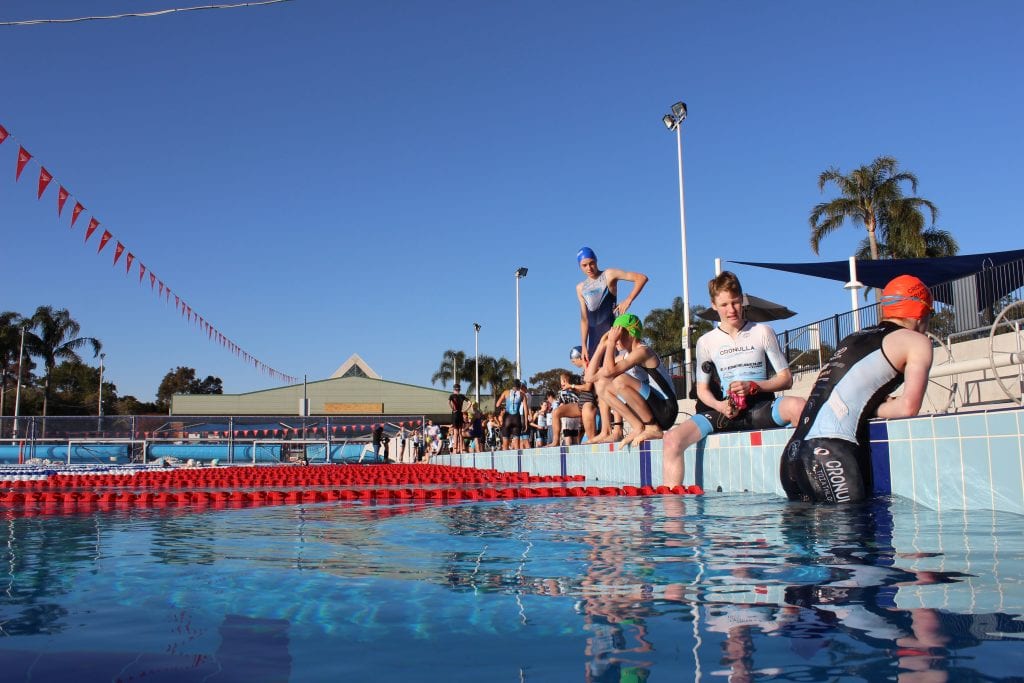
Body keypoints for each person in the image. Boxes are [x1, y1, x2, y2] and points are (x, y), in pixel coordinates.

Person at [780, 274, 935, 504]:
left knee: (802, 536)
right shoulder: (916, 341)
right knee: (850, 538)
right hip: (829, 453)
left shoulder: (853, 338)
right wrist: (876, 407)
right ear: (922, 312)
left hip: (792, 455)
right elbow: (908, 407)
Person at [662, 271, 804, 487]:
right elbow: (702, 390)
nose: (731, 310)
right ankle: (674, 517)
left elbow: (786, 379)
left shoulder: (763, 331)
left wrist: (756, 386)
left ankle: (804, 485)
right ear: (714, 305)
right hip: (726, 412)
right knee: (672, 440)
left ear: (742, 300)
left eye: (735, 303)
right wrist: (719, 405)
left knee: (800, 407)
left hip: (761, 407)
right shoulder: (706, 342)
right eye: (725, 304)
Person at [585, 313, 679, 448]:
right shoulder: (627, 356)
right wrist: (601, 345)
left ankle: (653, 428)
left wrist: (611, 343)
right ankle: (638, 426)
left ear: (631, 333)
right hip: (652, 410)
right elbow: (590, 377)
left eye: (618, 334)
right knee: (601, 385)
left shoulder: (643, 352)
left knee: (619, 380)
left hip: (666, 409)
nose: (615, 338)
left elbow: (609, 372)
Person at [575, 247, 649, 363]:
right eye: (584, 265)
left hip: (612, 334)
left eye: (591, 263)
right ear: (580, 266)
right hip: (594, 341)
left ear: (596, 260)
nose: (589, 268)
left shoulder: (609, 274)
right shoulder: (580, 288)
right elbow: (584, 319)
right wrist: (584, 345)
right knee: (596, 378)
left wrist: (628, 300)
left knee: (614, 373)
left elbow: (641, 278)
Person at [495, 379, 529, 450]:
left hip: (507, 418)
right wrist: (525, 423)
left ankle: (505, 460)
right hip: (517, 418)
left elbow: (497, 405)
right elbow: (526, 410)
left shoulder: (506, 392)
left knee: (505, 444)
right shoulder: (523, 395)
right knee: (517, 445)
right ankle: (518, 460)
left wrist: (503, 410)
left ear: (512, 385)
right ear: (519, 386)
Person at [448, 384, 467, 454]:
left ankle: (455, 450)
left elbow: (449, 403)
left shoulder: (452, 396)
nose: (457, 390)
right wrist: (464, 410)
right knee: (460, 433)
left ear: (454, 389)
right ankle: (462, 449)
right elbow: (470, 403)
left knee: (456, 433)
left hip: (455, 414)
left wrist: (453, 409)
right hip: (460, 414)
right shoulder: (462, 396)